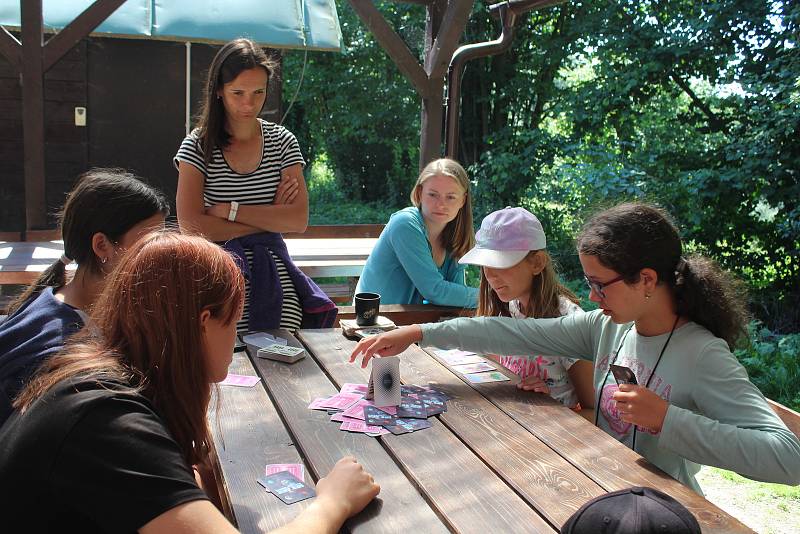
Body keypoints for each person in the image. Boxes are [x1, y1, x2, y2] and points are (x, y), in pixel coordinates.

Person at [350, 202, 800, 493]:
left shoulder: (703, 354)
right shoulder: (606, 327)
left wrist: (668, 419)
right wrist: (419, 334)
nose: (592, 298)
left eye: (600, 285)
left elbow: (788, 457)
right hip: (596, 484)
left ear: (646, 279)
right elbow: (511, 334)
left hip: (661, 508)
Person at [0, 232, 380, 533]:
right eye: (233, 321)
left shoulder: (107, 380)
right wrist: (333, 502)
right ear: (203, 323)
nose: (237, 336)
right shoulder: (108, 419)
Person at [175, 38, 335, 334]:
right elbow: (191, 227)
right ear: (219, 91)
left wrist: (229, 211)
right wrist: (269, 218)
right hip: (216, 275)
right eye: (238, 93)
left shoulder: (283, 141)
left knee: (282, 357)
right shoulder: (197, 145)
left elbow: (298, 220)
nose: (248, 103)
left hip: (272, 274)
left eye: (258, 92)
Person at [0, 168, 168, 427]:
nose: (160, 256)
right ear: (102, 246)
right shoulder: (60, 353)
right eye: (148, 243)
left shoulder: (60, 300)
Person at [460, 207, 594, 410]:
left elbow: (594, 412)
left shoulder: (570, 325)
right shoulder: (511, 306)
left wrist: (550, 404)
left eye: (502, 264)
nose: (491, 276)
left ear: (537, 263)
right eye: (485, 264)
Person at [355, 158, 478, 308]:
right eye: (433, 195)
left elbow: (455, 299)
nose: (441, 204)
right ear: (420, 193)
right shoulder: (405, 224)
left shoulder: (456, 234)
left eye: (451, 197)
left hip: (412, 322)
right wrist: (490, 297)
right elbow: (435, 291)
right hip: (372, 322)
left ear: (463, 201)